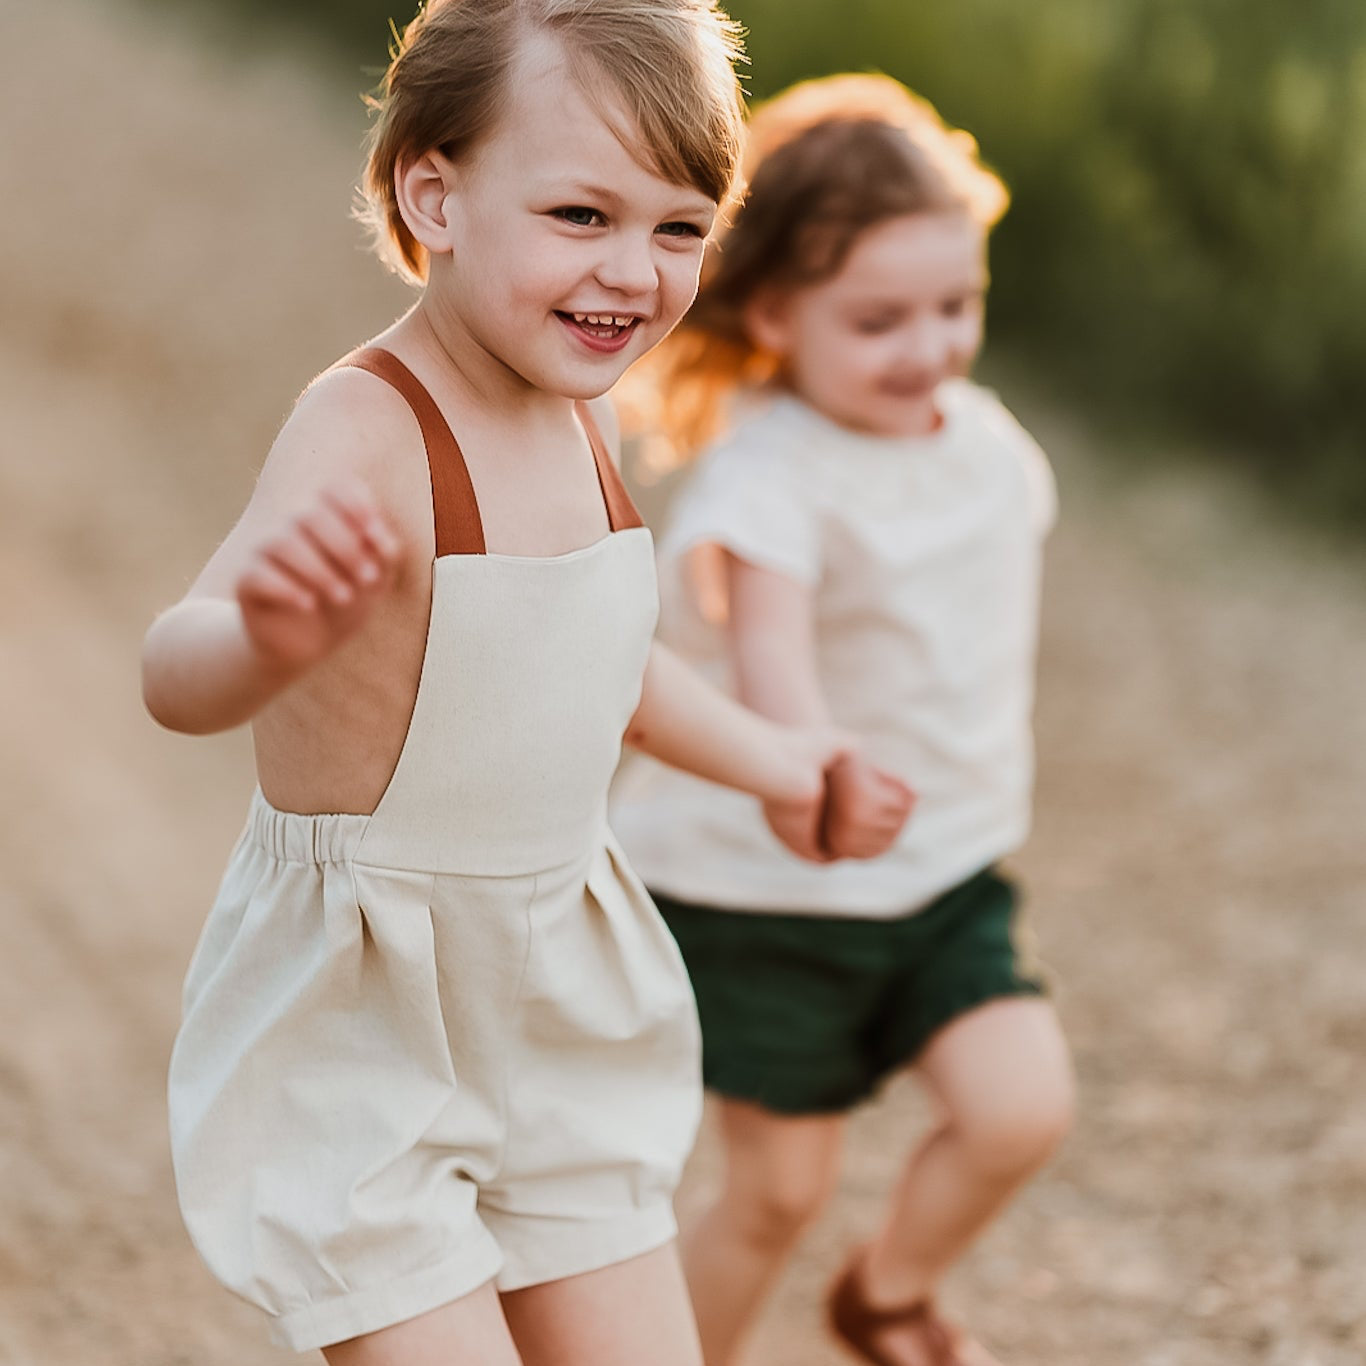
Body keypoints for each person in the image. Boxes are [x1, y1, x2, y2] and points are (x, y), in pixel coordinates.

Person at [139, 9, 910, 1363]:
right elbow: (174, 671)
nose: (631, 271)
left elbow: (602, 667)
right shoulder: (369, 421)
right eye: (578, 214)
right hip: (366, 1024)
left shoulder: (583, 418)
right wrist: (263, 632)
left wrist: (784, 764)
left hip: (556, 999)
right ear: (431, 192)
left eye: (679, 227)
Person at [611, 73, 1077, 1366]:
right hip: (766, 892)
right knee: (773, 1193)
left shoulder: (985, 444)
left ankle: (884, 1293)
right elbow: (771, 663)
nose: (926, 345)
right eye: (878, 319)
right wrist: (808, 774)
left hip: (938, 873)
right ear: (772, 315)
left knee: (1018, 1108)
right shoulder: (769, 477)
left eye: (953, 305)